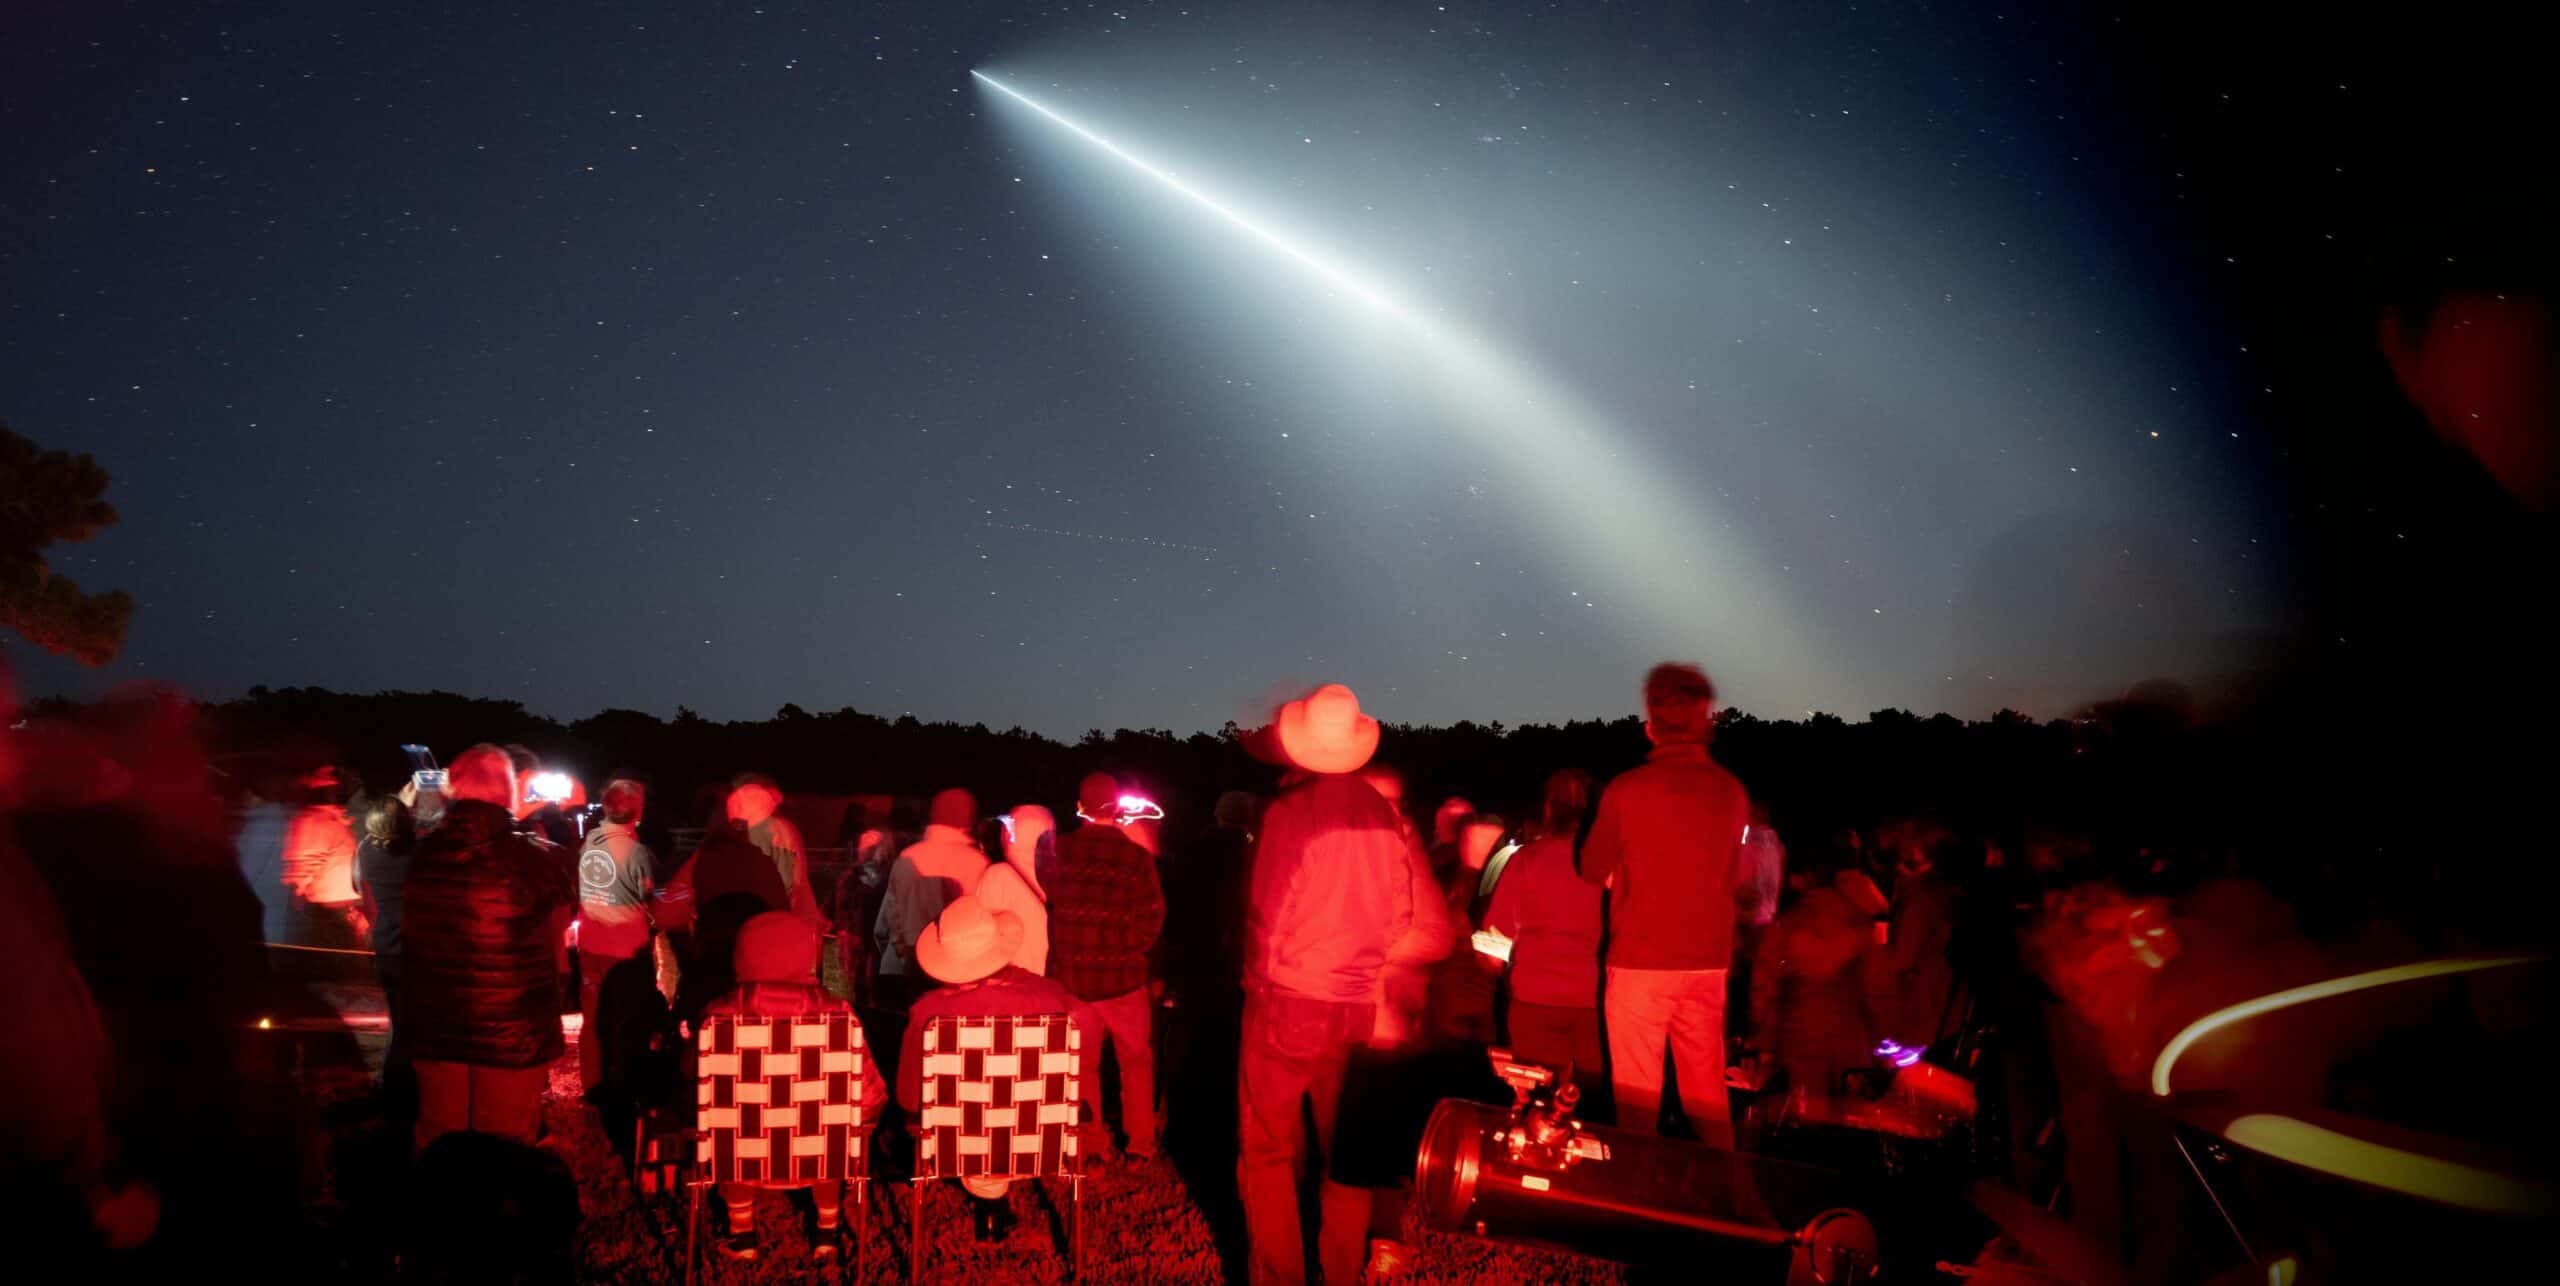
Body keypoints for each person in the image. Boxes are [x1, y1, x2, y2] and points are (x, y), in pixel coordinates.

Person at [1238, 683, 1415, 1286]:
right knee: (1347, 1154)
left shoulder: (1292, 815)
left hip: (1289, 1001)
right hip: (1355, 1007)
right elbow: (1402, 917)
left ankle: (1279, 1275)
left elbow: (1269, 914)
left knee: (1266, 1152)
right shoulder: (1384, 816)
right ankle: (1340, 1271)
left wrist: (1259, 984)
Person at [1579, 662, 1750, 1146]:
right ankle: (1728, 1193)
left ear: (1650, 726)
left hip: (1641, 961)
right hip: (1707, 961)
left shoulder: (1628, 789)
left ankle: (1640, 1198)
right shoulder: (1731, 791)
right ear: (1707, 721)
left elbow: (1592, 868)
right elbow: (1732, 874)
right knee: (1706, 1094)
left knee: (1637, 1098)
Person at [401, 744, 572, 1151]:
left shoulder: (423, 857)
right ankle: (500, 1213)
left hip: (436, 1023)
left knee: (441, 1136)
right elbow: (557, 945)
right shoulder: (538, 860)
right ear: (509, 791)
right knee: (506, 1143)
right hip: (512, 1029)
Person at [898, 896, 1086, 1243]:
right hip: (1039, 1134)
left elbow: (910, 1095)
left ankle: (989, 1201)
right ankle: (994, 1203)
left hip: (959, 1137)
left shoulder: (930, 1013)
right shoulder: (1052, 998)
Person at [702, 911, 885, 1263]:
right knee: (833, 1125)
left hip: (743, 1142)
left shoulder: (718, 1016)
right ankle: (827, 1231)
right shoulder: (839, 1015)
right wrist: (868, 1113)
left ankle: (742, 1233)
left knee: (731, 1126)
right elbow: (865, 1087)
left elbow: (700, 1084)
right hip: (818, 1141)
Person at [1048, 774, 1167, 1160]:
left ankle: (1090, 1145)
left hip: (1075, 978)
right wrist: (1128, 949)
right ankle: (1140, 1144)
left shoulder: (1059, 852)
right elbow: (1153, 917)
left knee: (1083, 1066)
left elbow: (1054, 906)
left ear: (1080, 808)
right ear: (1118, 809)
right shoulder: (1136, 858)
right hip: (1124, 979)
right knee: (1135, 1064)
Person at [1483, 770, 1605, 1100]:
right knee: (1590, 1101)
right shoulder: (1610, 864)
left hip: (1536, 995)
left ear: (1547, 809)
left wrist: (1492, 968)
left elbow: (1494, 935)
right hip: (1597, 997)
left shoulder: (1527, 860)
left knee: (1538, 1098)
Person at [1748, 850, 1879, 1121]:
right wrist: (1881, 1035)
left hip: (1800, 1029)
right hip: (1850, 1032)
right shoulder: (1857, 921)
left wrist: (1764, 1042)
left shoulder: (1788, 924)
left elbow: (1767, 984)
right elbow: (1876, 983)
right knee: (1850, 1118)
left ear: (1801, 879)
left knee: (1809, 1116)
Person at [574, 779, 656, 1093]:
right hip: (626, 950)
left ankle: (592, 1083)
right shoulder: (635, 851)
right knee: (627, 1020)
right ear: (637, 811)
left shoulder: (589, 841)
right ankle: (623, 1085)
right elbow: (647, 895)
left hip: (591, 944)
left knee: (592, 1018)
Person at [873, 788, 989, 1005]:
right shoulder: (976, 862)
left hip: (909, 962)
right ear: (967, 819)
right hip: (956, 969)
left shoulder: (907, 857)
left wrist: (904, 956)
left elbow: (891, 917)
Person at [354, 788, 424, 1116]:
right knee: (416, 1019)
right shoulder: (418, 851)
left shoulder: (365, 850)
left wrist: (399, 803)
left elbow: (357, 884)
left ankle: (392, 1083)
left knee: (398, 1015)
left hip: (386, 940)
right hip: (419, 941)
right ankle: (403, 1085)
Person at [281, 765, 364, 948]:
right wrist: (302, 904)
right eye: (333, 788)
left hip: (343, 911)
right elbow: (302, 870)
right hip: (328, 914)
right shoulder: (313, 821)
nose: (338, 793)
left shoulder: (332, 819)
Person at [726, 775, 817, 921]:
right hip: (778, 914)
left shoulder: (770, 831)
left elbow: (787, 879)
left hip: (771, 917)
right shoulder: (780, 828)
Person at [974, 803, 1051, 973]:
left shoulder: (997, 875)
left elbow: (984, 936)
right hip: (1052, 981)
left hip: (1015, 978)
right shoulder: (1059, 874)